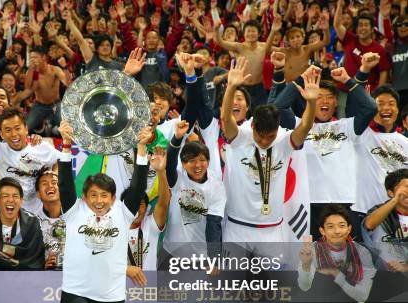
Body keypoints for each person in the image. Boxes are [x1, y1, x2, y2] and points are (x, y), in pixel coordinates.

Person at [57, 120, 149, 303]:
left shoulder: (123, 212)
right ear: (85, 197)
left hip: (109, 302)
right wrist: (66, 146)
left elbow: (138, 186)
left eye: (104, 196)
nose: (99, 201)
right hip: (76, 297)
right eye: (94, 195)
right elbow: (65, 184)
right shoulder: (74, 212)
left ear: (112, 197)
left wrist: (141, 148)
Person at [269, 53, 380, 240]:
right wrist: (302, 79)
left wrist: (347, 79)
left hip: (345, 202)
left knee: (350, 261)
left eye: (329, 97)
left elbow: (370, 108)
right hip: (308, 203)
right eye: (319, 97)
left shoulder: (347, 126)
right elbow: (277, 108)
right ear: (309, 98)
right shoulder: (299, 127)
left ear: (336, 102)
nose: (325, 101)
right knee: (311, 261)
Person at [221, 57, 319, 242]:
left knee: (273, 273)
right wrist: (231, 87)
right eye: (260, 136)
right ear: (252, 127)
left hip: (272, 230)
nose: (265, 141)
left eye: (270, 136)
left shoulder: (283, 140)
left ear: (277, 130)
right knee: (233, 272)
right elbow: (226, 120)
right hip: (237, 227)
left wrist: (312, 102)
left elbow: (305, 127)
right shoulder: (240, 137)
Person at [0, 106, 59, 212]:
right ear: (1, 134)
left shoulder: (42, 147)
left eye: (17, 128)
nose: (14, 134)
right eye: (8, 130)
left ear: (26, 129)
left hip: (42, 211)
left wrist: (54, 175)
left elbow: (60, 160)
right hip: (12, 213)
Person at [163, 120, 226, 259]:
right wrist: (177, 138)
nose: (198, 165)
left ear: (208, 162)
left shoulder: (216, 185)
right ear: (183, 164)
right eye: (191, 161)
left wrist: (213, 258)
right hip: (171, 253)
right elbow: (170, 162)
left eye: (202, 160)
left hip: (200, 256)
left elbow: (213, 224)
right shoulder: (177, 179)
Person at [298, 204, 376, 303]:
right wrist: (305, 266)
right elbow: (304, 287)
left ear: (349, 229)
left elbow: (362, 297)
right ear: (322, 231)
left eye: (341, 226)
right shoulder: (312, 250)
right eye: (330, 227)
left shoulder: (362, 253)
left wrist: (336, 273)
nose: (337, 231)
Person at [352, 85, 408, 224]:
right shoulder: (360, 134)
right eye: (380, 104)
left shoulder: (405, 142)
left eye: (391, 104)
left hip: (395, 214)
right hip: (363, 210)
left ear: (397, 110)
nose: (386, 108)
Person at [128, 145, 170, 273]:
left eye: (140, 205)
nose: (136, 209)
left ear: (146, 208)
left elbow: (163, 202)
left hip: (148, 289)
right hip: (118, 290)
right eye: (132, 204)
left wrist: (161, 171)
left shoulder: (150, 225)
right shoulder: (115, 227)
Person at [334, 1, 391, 90]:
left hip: (366, 92)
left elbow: (383, 72)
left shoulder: (379, 49)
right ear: (356, 29)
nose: (363, 28)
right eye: (360, 25)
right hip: (345, 89)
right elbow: (337, 25)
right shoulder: (349, 39)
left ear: (372, 29)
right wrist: (339, 6)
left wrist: (378, 93)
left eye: (366, 25)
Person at [214, 20, 270, 108]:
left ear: (259, 34)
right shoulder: (239, 47)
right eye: (248, 31)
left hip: (259, 88)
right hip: (242, 87)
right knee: (242, 116)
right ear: (244, 34)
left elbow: (281, 50)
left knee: (262, 115)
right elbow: (220, 42)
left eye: (253, 31)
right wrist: (216, 30)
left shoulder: (264, 46)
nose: (251, 33)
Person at [362, 169, 408, 273]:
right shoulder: (379, 212)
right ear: (391, 193)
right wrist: (395, 200)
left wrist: (405, 267)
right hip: (384, 273)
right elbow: (369, 224)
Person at [268, 12, 330, 82]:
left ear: (303, 39)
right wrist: (273, 32)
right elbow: (267, 50)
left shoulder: (307, 49)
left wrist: (326, 30)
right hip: (289, 87)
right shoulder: (284, 52)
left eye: (298, 36)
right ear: (288, 42)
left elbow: (325, 42)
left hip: (305, 87)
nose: (295, 40)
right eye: (292, 38)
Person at [23, 46, 68, 134]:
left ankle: (53, 127)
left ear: (43, 58)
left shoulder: (55, 69)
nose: (33, 60)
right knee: (26, 128)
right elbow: (27, 88)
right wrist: (31, 69)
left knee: (67, 129)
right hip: (39, 105)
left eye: (35, 57)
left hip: (56, 104)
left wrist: (65, 67)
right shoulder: (30, 72)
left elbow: (67, 83)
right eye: (31, 58)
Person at [34, 169, 66, 270]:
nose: (50, 186)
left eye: (54, 182)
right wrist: (42, 266)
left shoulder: (75, 215)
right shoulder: (33, 222)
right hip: (46, 279)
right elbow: (29, 257)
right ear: (38, 194)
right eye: (44, 183)